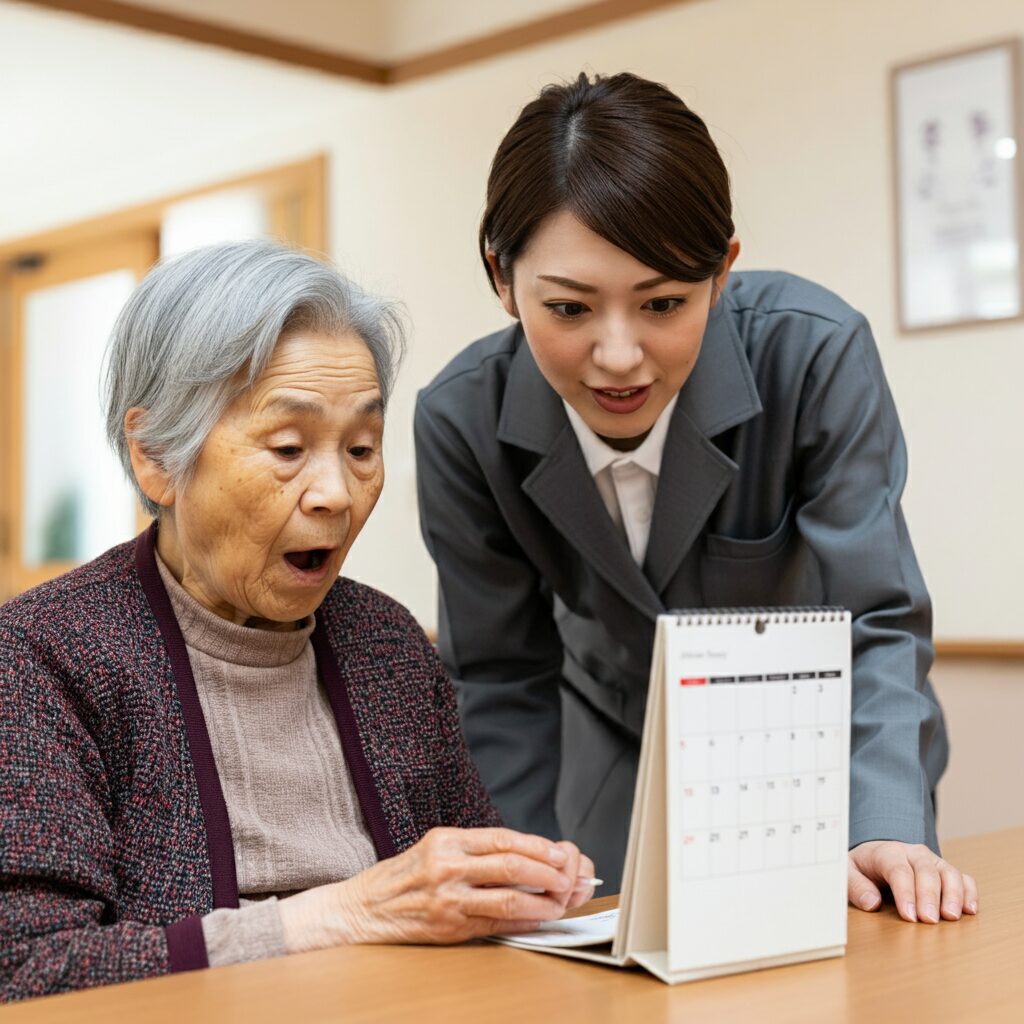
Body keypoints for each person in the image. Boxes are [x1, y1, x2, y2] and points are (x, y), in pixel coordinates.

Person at [414, 72, 977, 922]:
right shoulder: (462, 419)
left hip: (810, 754)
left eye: (663, 303)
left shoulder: (813, 357)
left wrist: (883, 820)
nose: (618, 356)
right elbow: (500, 674)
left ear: (723, 273)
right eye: (568, 307)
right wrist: (511, 870)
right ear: (502, 277)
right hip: (609, 749)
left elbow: (877, 623)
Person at [0, 240, 595, 1003]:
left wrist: (525, 883)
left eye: (361, 448)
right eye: (288, 447)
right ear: (154, 456)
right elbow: (26, 967)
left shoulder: (387, 644)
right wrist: (341, 915)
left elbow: (462, 880)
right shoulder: (42, 658)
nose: (337, 495)